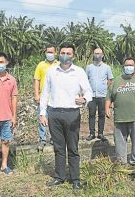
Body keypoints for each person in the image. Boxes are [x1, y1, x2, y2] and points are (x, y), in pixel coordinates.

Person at [40, 42, 92, 190]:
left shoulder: (79, 72)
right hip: (54, 113)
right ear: (59, 54)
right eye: (63, 53)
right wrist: (43, 113)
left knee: (73, 148)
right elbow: (45, 93)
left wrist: (84, 99)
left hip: (72, 114)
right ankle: (59, 177)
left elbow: (88, 91)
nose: (65, 56)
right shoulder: (51, 71)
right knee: (58, 148)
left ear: (73, 55)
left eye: (68, 53)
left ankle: (75, 179)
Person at [33, 44, 59, 151]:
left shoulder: (59, 65)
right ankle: (42, 139)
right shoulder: (40, 65)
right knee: (42, 118)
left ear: (55, 53)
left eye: (51, 52)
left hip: (55, 98)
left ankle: (54, 138)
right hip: (43, 97)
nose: (50, 54)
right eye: (48, 52)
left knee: (54, 120)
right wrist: (36, 94)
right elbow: (36, 80)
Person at [85, 47, 114, 141]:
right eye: (95, 53)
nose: (97, 55)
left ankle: (100, 133)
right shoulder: (89, 67)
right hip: (91, 96)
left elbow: (110, 80)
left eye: (99, 53)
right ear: (93, 54)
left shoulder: (107, 67)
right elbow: (85, 80)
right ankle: (92, 133)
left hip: (102, 95)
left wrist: (106, 89)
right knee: (91, 114)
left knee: (102, 114)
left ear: (102, 55)